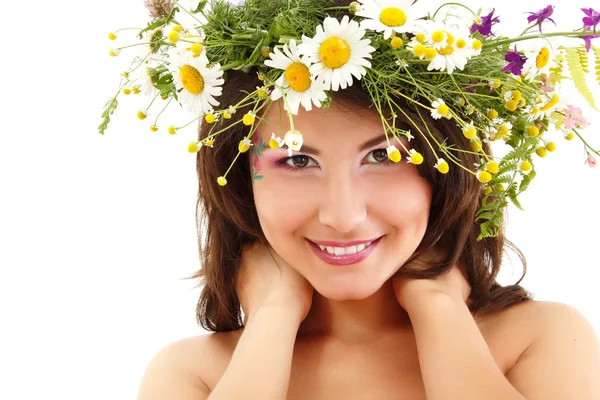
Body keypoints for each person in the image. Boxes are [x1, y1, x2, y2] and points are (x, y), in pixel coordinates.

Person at [100, 0, 600, 398]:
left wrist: (437, 306)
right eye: (296, 161)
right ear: (239, 182)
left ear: (443, 173)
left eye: (383, 155)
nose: (343, 216)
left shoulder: (539, 341)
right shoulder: (198, 375)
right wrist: (273, 316)